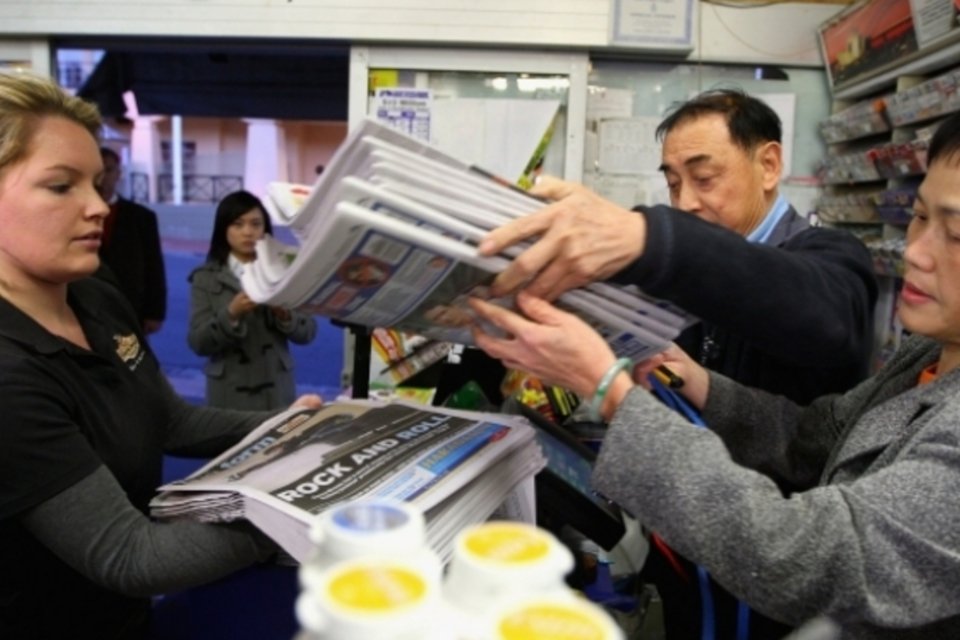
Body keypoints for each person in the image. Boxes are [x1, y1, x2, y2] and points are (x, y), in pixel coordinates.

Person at [467, 110, 960, 639]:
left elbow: (813, 554)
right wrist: (698, 383)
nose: (915, 251)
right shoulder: (927, 356)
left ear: (768, 164)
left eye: (954, 232)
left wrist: (648, 249)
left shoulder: (826, 257)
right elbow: (815, 434)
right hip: (703, 557)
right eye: (917, 216)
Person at [0, 72, 323, 639]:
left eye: (98, 183)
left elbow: (168, 419)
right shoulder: (9, 371)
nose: (98, 206)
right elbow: (132, 556)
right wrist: (302, 511)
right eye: (61, 186)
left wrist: (290, 427)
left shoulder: (95, 294)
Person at [188, 190, 318, 410]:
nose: (247, 232)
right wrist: (231, 314)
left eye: (256, 224)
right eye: (238, 225)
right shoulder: (205, 277)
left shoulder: (283, 270)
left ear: (265, 229)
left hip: (276, 390)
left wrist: (284, 315)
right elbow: (198, 343)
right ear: (224, 229)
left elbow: (308, 332)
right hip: (228, 392)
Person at [96, 146, 168, 335]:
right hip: (86, 311)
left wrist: (154, 312)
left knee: (131, 362)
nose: (102, 179)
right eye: (96, 172)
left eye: (108, 170)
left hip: (129, 310)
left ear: (118, 173)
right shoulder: (73, 214)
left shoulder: (141, 217)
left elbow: (154, 266)